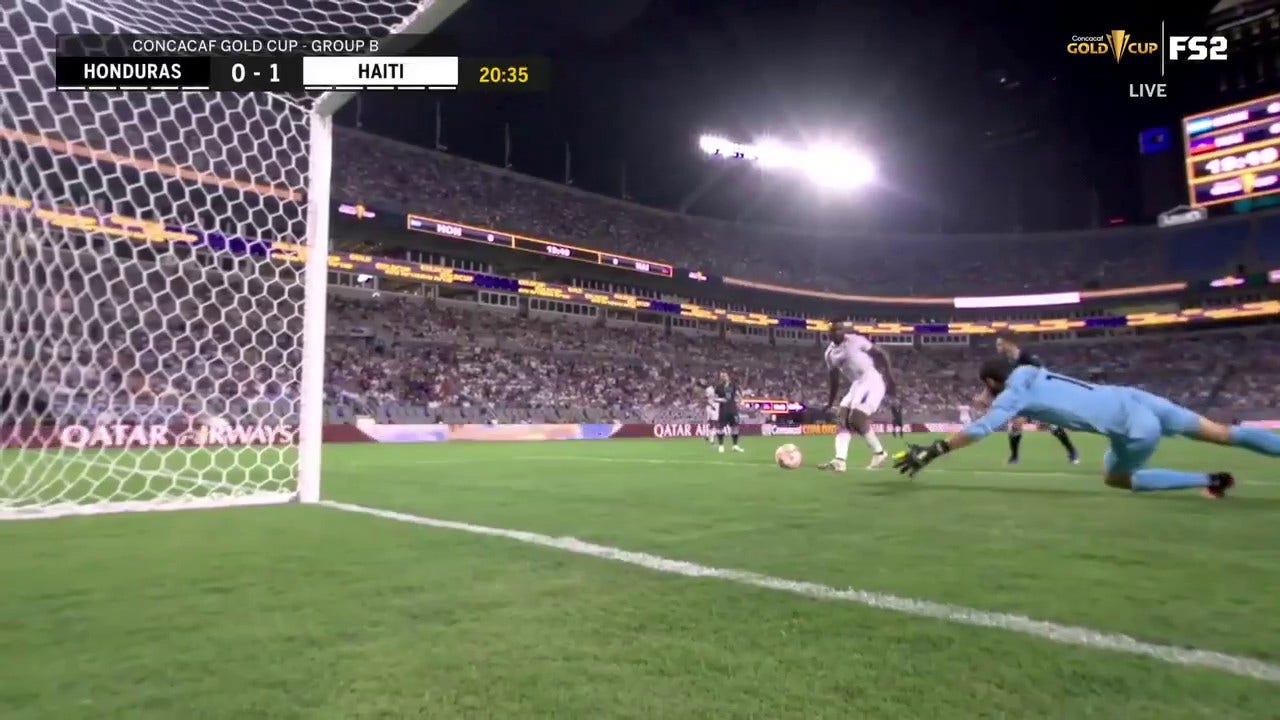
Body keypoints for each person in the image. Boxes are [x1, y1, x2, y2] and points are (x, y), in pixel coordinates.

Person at [892, 358, 1280, 498]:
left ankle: (1210, 479)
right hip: (1138, 398)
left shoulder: (1011, 395)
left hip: (1133, 426)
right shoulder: (1028, 370)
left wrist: (934, 450)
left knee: (1116, 477)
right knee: (1224, 433)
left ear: (992, 383)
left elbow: (979, 430)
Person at [819, 321, 896, 471]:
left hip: (871, 380)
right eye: (834, 330)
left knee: (856, 418)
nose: (837, 332)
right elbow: (834, 379)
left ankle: (879, 453)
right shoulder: (829, 354)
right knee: (842, 419)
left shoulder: (855, 340)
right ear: (829, 333)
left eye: (840, 329)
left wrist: (890, 377)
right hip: (857, 384)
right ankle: (839, 461)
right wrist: (830, 402)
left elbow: (881, 353)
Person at [994, 332, 1079, 465]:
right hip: (1023, 398)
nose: (997, 347)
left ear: (1009, 343)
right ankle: (1014, 457)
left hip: (1038, 395)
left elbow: (1043, 376)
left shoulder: (1028, 358)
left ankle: (1072, 451)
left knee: (1051, 425)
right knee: (1016, 424)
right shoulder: (1007, 362)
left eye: (999, 344)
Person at [713, 369, 744, 454]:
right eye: (721, 376)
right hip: (723, 409)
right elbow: (714, 398)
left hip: (732, 409)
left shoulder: (733, 385)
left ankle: (735, 445)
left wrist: (740, 400)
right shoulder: (718, 387)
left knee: (735, 426)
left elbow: (738, 394)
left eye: (724, 375)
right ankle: (721, 446)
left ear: (727, 376)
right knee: (720, 428)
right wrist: (720, 400)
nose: (723, 377)